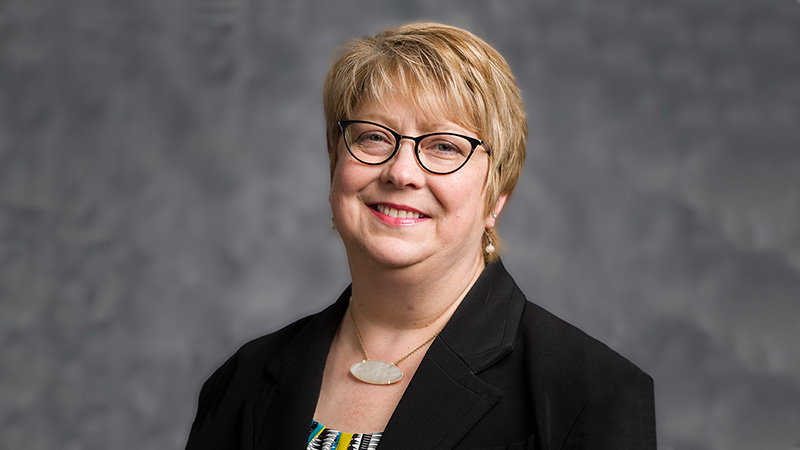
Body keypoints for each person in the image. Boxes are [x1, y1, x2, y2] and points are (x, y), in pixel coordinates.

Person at [185, 22, 656, 450]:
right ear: (335, 167)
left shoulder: (590, 394)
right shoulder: (241, 380)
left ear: (496, 197)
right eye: (373, 137)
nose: (401, 172)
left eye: (444, 146)